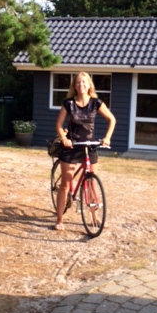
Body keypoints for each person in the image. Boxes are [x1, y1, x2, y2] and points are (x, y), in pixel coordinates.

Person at [54, 72, 116, 230]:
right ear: (74, 86)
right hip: (71, 146)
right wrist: (64, 138)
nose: (81, 85)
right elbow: (59, 124)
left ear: (89, 85)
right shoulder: (68, 103)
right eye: (78, 82)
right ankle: (60, 219)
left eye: (84, 82)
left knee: (91, 183)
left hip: (89, 145)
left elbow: (112, 119)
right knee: (65, 184)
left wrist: (107, 137)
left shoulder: (96, 103)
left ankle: (95, 218)